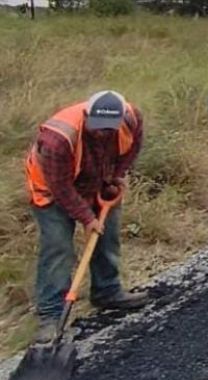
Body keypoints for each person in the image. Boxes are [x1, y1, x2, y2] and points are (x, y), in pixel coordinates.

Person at [24, 90, 149, 343]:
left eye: (107, 129)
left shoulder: (131, 118)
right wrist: (87, 218)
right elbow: (61, 188)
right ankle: (51, 316)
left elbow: (132, 147)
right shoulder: (57, 139)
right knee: (58, 247)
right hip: (51, 191)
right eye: (97, 127)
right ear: (87, 115)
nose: (101, 133)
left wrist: (116, 176)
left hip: (97, 181)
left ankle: (107, 291)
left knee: (108, 237)